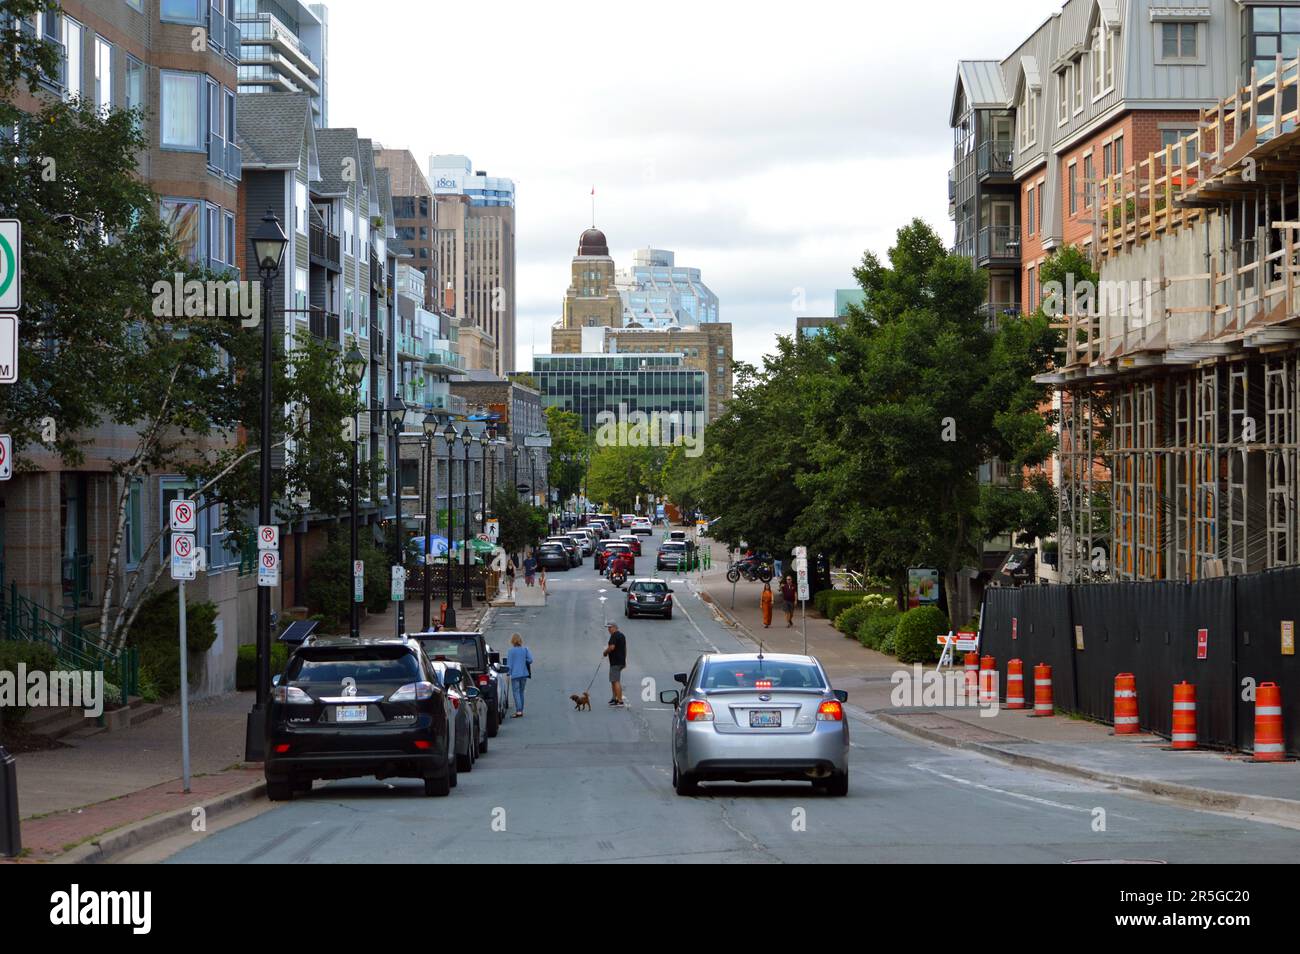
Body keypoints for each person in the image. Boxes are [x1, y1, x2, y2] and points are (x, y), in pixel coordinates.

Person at [506, 633, 533, 718]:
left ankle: (518, 711)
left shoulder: (511, 651)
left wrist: (508, 673)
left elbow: (509, 664)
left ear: (512, 641)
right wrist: (524, 660)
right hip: (524, 674)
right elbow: (530, 660)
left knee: (516, 692)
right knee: (521, 692)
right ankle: (521, 710)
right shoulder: (525, 650)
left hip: (515, 675)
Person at [603, 621, 627, 707]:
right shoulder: (622, 635)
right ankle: (614, 698)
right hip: (620, 661)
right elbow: (625, 648)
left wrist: (605, 652)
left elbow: (612, 647)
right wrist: (624, 661)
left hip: (615, 662)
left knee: (616, 681)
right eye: (608, 628)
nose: (608, 629)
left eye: (610, 627)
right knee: (613, 680)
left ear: (614, 627)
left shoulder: (614, 635)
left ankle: (619, 700)